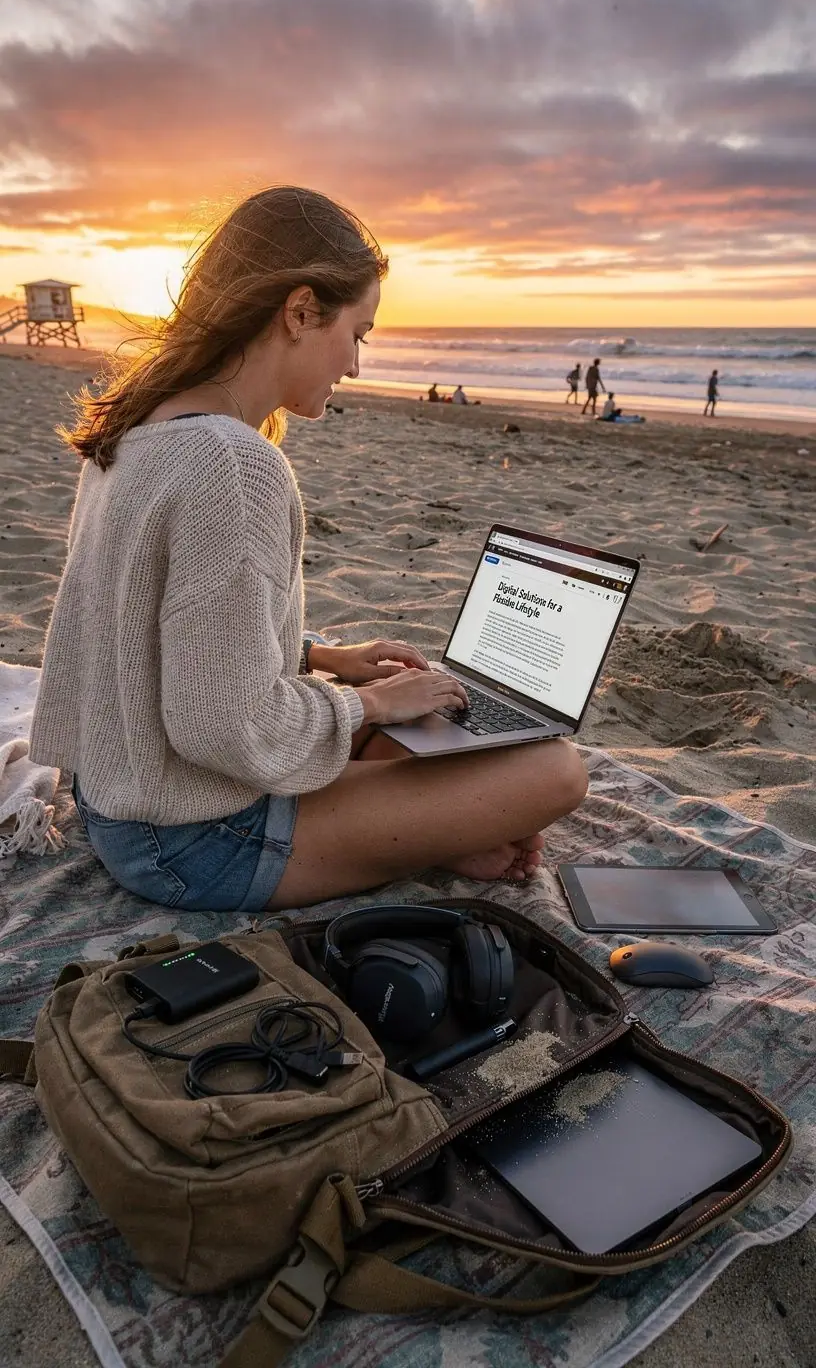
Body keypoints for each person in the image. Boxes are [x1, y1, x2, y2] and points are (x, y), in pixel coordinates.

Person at [30, 185, 587, 915]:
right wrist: (367, 702)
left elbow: (157, 632)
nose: (355, 364)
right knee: (554, 771)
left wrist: (324, 658)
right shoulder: (231, 464)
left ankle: (437, 833)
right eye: (358, 333)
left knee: (414, 732)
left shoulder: (137, 430)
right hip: (191, 841)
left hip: (121, 799)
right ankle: (432, 829)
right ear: (300, 312)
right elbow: (221, 723)